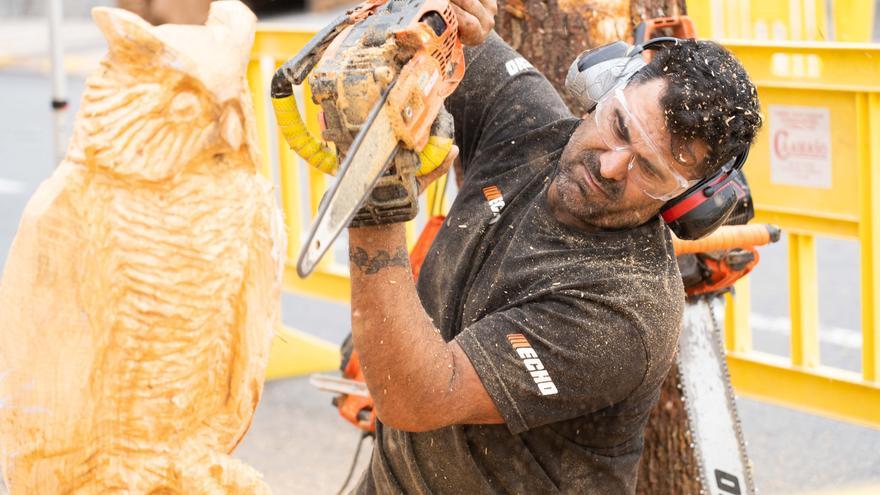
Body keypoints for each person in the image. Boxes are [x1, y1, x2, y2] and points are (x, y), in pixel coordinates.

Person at [342, 1, 763, 493]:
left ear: (685, 204)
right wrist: (443, 17)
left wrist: (376, 216)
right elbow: (445, 35)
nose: (610, 167)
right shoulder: (527, 127)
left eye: (648, 170)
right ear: (604, 86)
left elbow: (417, 397)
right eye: (619, 127)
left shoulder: (624, 310)